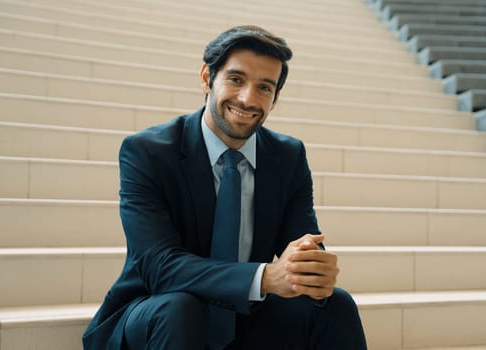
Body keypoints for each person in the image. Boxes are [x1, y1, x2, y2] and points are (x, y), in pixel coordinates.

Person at [82, 25, 367, 350]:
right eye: (236, 79)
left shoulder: (287, 156)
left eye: (264, 87)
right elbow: (157, 266)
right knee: (181, 308)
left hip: (246, 318)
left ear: (275, 99)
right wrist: (263, 278)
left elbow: (301, 244)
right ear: (207, 77)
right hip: (157, 313)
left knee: (336, 306)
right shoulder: (148, 151)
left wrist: (312, 270)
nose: (247, 98)